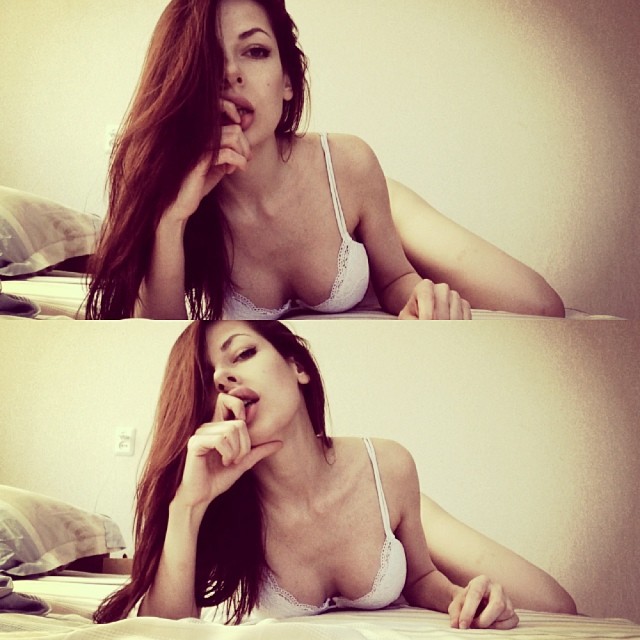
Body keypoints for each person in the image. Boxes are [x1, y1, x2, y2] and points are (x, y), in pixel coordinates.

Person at [85, 0, 564, 320]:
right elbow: (157, 335)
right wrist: (172, 218)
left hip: (367, 205)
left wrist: (417, 295)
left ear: (287, 82)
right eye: (208, 59)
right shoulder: (169, 191)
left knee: (539, 304)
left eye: (255, 51)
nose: (230, 73)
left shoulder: (350, 163)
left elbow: (396, 279)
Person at [93, 320, 576, 627]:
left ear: (297, 366)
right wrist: (188, 505)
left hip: (381, 498)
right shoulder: (218, 504)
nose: (224, 377)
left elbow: (420, 577)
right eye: (208, 379)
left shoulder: (389, 465)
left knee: (556, 606)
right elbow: (162, 631)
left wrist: (463, 597)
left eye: (242, 354)